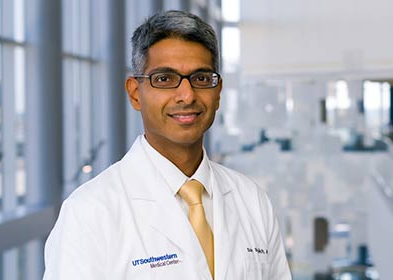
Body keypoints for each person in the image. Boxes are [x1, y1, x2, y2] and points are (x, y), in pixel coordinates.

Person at [43, 10, 292, 280]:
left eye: (201, 78)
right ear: (135, 93)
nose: (186, 95)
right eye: (164, 79)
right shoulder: (90, 212)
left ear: (218, 93)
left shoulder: (251, 200)